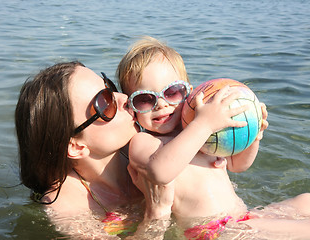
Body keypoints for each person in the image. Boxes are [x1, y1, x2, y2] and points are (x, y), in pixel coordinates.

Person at [116, 36, 310, 239]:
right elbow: (160, 172)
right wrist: (203, 124)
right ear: (132, 107)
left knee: (306, 200)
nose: (161, 104)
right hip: (213, 231)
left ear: (189, 92)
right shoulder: (144, 142)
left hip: (242, 219)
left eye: (172, 92)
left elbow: (237, 165)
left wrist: (254, 137)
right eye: (145, 99)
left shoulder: (195, 132)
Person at [15, 61, 175, 239]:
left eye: (110, 87)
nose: (124, 98)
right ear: (75, 147)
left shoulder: (145, 148)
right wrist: (157, 213)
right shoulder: (66, 207)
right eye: (106, 102)